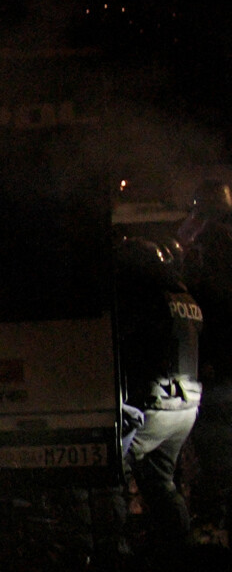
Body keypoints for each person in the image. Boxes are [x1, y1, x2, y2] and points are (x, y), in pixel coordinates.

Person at [114, 234, 202, 552]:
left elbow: (126, 339)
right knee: (159, 481)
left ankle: (114, 552)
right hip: (186, 406)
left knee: (113, 469)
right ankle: (180, 549)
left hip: (156, 404)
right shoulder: (184, 297)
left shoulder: (146, 297)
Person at [176, 182, 232, 539]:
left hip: (217, 366)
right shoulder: (217, 240)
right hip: (221, 363)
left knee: (215, 448)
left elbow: (208, 306)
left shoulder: (210, 244)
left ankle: (214, 518)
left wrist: (208, 357)